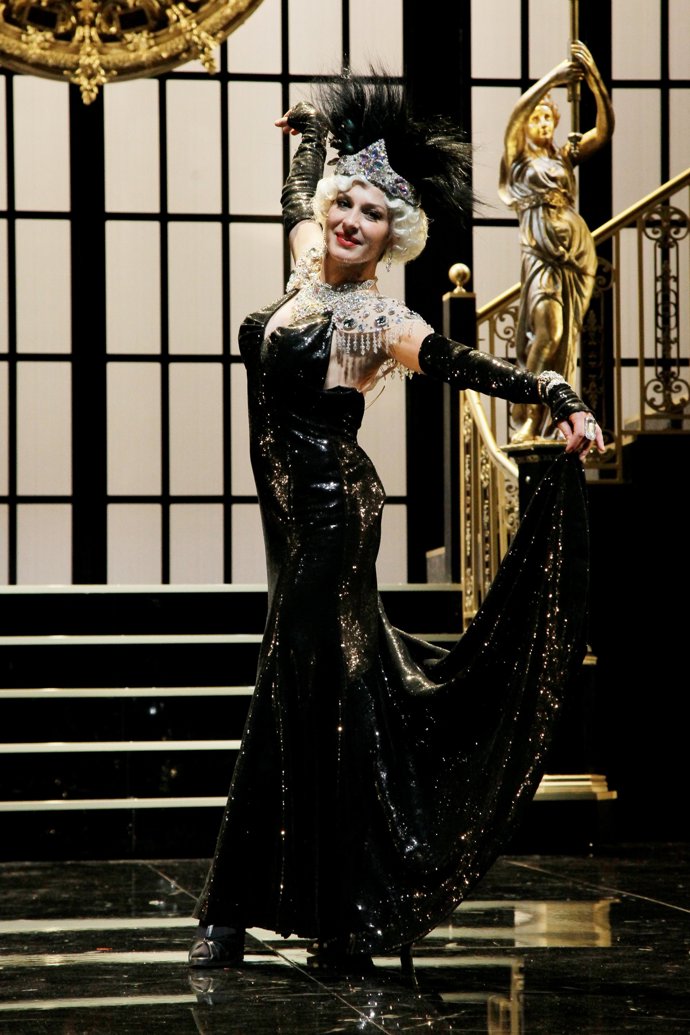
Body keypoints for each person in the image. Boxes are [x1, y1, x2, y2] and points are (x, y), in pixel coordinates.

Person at [188, 71, 605, 973]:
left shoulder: (380, 318)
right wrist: (311, 127)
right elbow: (300, 189)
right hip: (290, 522)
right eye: (345, 202)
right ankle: (318, 914)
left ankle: (261, 912)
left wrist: (554, 389)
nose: (349, 219)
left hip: (333, 517)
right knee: (321, 694)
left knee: (298, 690)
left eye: (371, 214)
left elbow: (464, 364)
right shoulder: (309, 257)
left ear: (392, 235)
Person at [499, 40, 614, 443]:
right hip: (541, 254)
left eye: (549, 117)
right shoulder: (518, 159)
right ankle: (525, 414)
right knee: (548, 332)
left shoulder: (564, 156)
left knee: (564, 340)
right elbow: (515, 116)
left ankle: (553, 416)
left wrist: (594, 79)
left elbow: (605, 130)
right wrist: (553, 79)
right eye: (537, 118)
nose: (543, 123)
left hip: (575, 255)